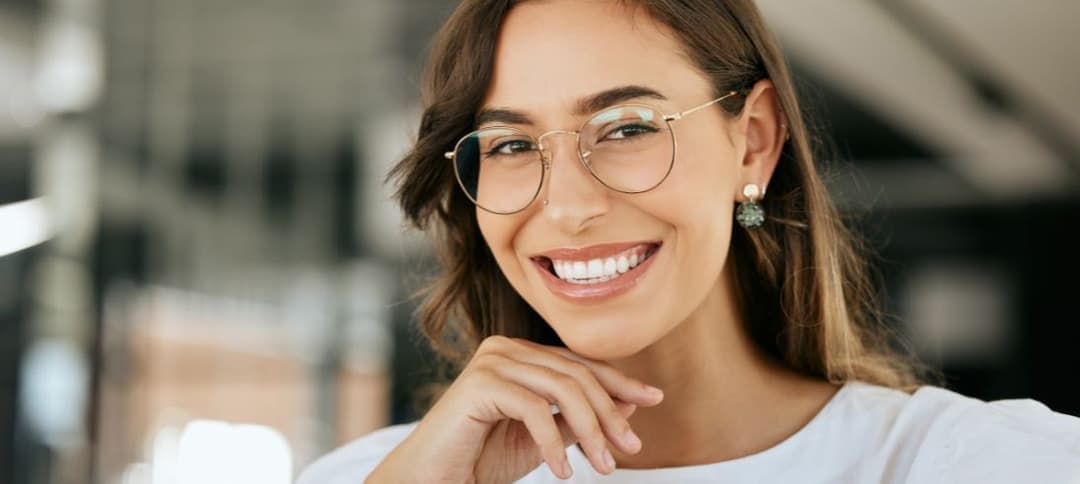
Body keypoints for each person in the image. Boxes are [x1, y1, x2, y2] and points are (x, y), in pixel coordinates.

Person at [298, 0, 1080, 482]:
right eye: (508, 145)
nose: (567, 207)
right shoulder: (382, 476)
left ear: (755, 144)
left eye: (628, 128)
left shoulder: (971, 464)